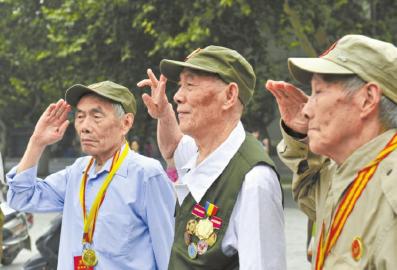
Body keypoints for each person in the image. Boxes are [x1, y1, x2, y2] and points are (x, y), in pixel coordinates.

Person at [138, 46, 286, 269]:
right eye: (180, 86)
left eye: (190, 84)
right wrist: (164, 113)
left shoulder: (254, 181)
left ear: (229, 95)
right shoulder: (200, 149)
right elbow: (172, 149)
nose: (177, 96)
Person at [6, 81, 175, 270]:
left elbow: (167, 252)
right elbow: (20, 198)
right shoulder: (77, 172)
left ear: (126, 123)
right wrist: (37, 142)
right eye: (80, 116)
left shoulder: (146, 175)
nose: (84, 127)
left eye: (96, 116)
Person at [266, 35, 397, 269]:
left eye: (318, 92)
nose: (306, 108)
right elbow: (310, 195)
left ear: (367, 99)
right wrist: (300, 136)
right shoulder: (350, 169)